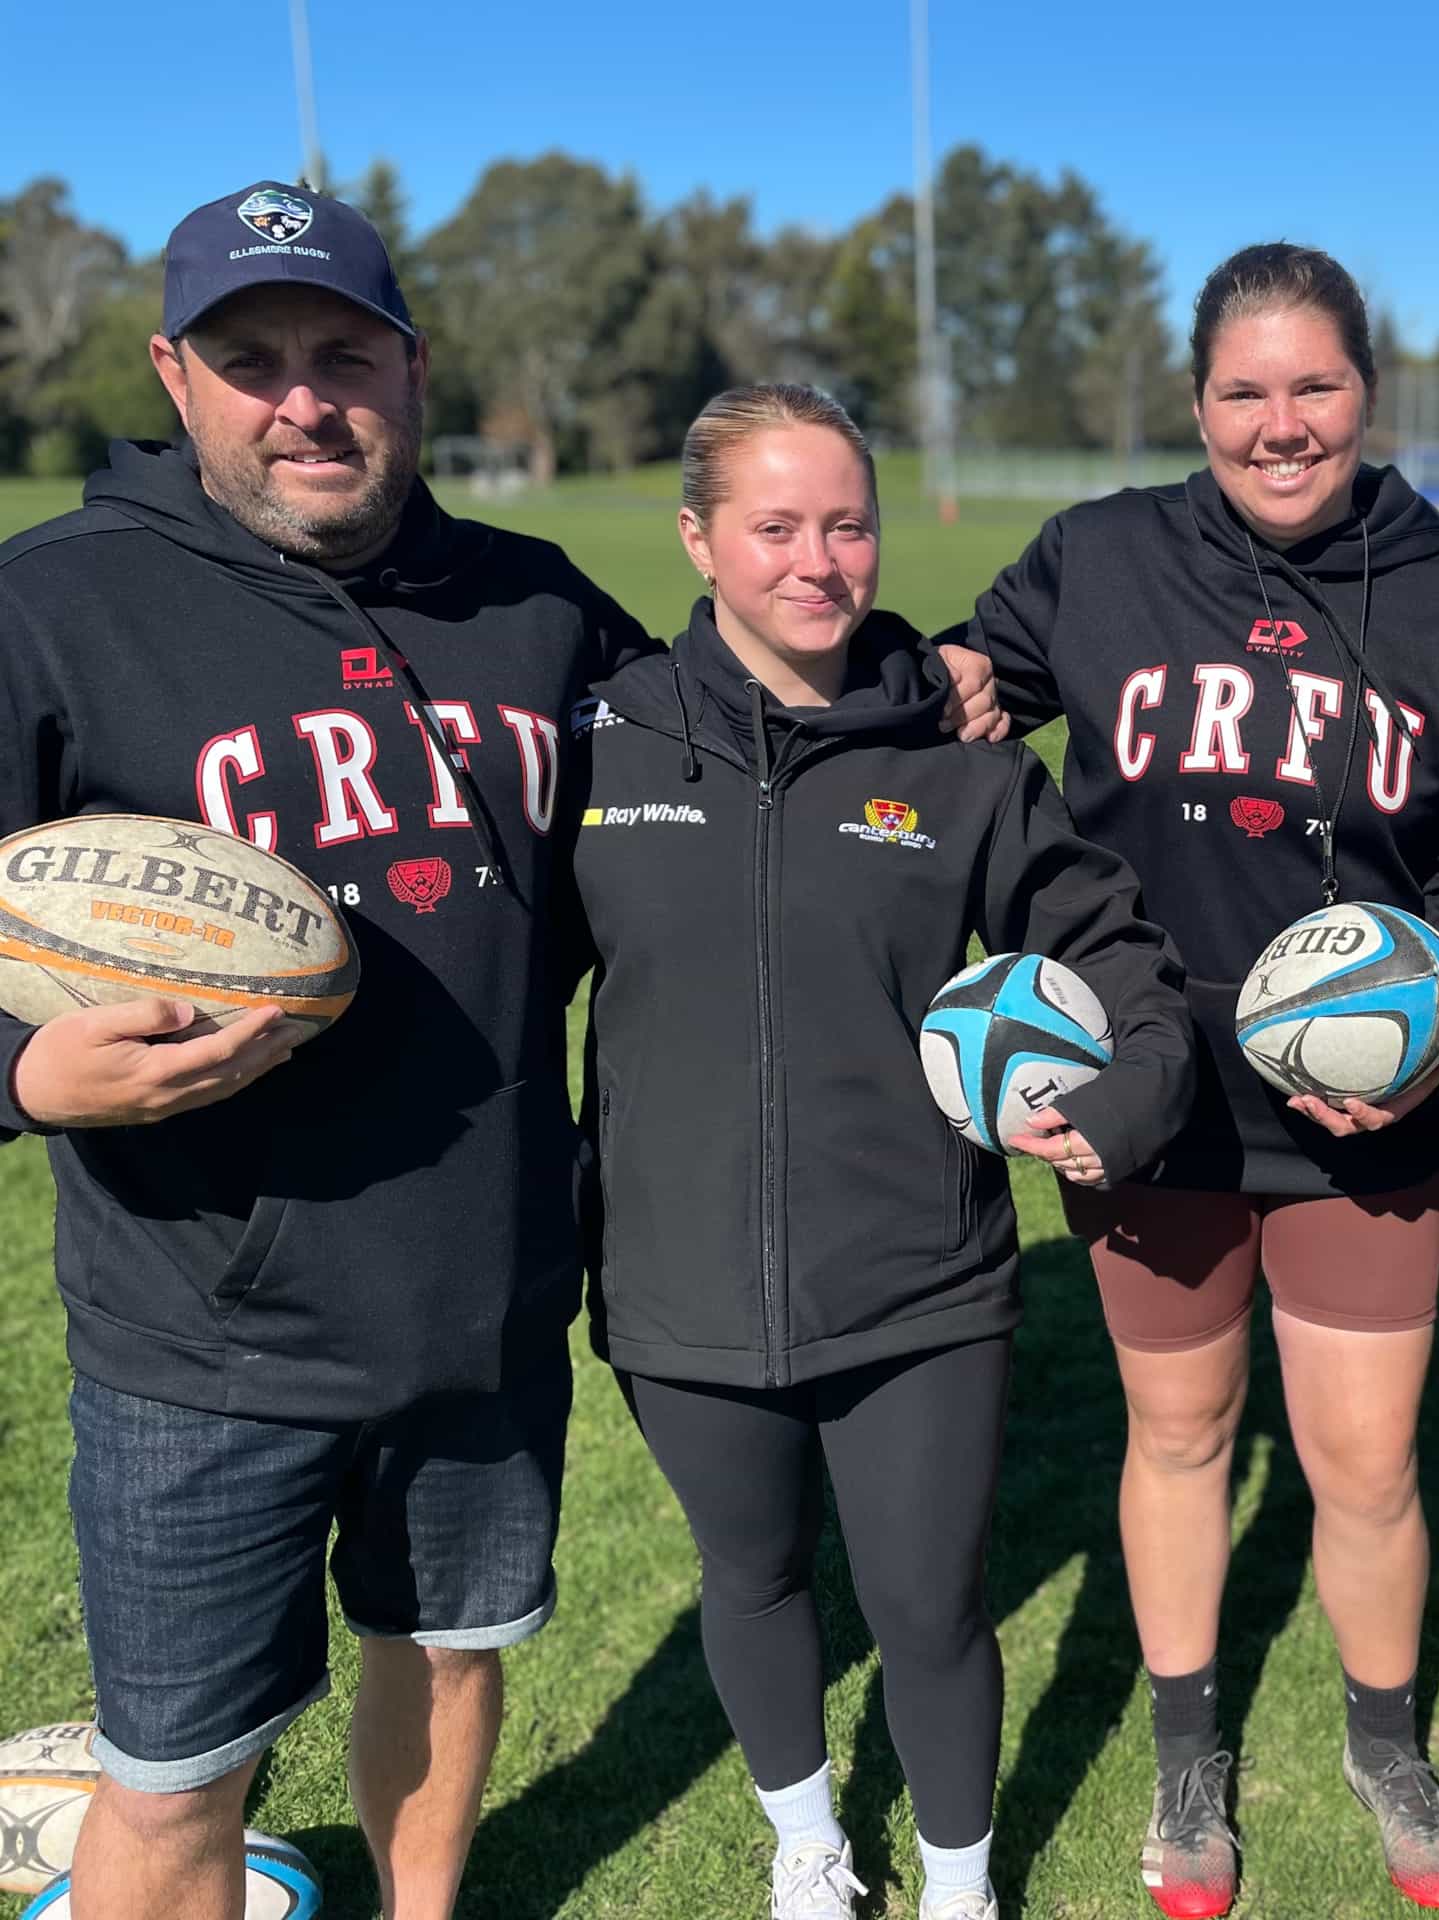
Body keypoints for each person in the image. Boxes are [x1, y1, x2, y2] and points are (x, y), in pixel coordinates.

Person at [0, 184, 1000, 1920]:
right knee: (181, 1775)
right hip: (204, 1331)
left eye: (345, 355)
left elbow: (742, 721)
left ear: (413, 369)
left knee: (452, 1664)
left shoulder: (535, 609)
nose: (304, 401)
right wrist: (21, 1080)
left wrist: (918, 676)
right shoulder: (57, 606)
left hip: (484, 1295)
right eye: (253, 360)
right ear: (174, 376)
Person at [569, 383, 1191, 1920]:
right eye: (775, 526)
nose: (818, 561)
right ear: (698, 539)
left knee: (928, 1609)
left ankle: (961, 1885)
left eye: (846, 524)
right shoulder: (605, 744)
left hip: (919, 1278)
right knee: (753, 1578)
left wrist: (1122, 1103)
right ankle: (808, 1845)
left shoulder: (959, 760)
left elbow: (1116, 953)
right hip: (677, 1274)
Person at [962, 242, 1439, 1914]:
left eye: (1315, 387)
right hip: (1157, 1094)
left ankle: (1384, 1740)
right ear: (1198, 401)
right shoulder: (1101, 557)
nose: (1283, 425)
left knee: (1365, 1461)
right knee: (1180, 1430)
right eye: (1245, 391)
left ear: (1369, 391)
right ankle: (1188, 1751)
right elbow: (962, 697)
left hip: (1365, 1109)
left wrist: (1436, 1033)